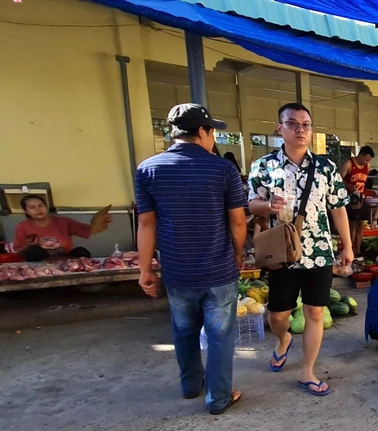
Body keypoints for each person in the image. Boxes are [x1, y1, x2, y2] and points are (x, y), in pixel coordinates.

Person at [134, 103, 247, 415]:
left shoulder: (148, 169)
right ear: (202, 132)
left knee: (183, 329)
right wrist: (238, 254)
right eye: (212, 131)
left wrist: (145, 270)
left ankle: (189, 386)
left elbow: (146, 224)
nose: (213, 137)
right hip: (218, 269)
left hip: (177, 271)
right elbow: (238, 222)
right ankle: (219, 397)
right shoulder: (223, 169)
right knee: (220, 334)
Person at [248, 102, 352, 397]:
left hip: (319, 252)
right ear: (279, 128)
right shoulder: (264, 166)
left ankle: (307, 371)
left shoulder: (326, 168)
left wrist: (347, 245)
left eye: (305, 124)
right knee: (278, 315)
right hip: (282, 254)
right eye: (292, 123)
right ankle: (283, 340)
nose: (299, 129)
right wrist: (268, 205)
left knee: (315, 313)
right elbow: (251, 202)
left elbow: (338, 209)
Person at [13, 195, 111, 261]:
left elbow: (90, 231)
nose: (38, 209)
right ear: (26, 211)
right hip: (42, 262)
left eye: (40, 206)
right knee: (34, 251)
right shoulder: (22, 226)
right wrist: (29, 246)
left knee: (81, 251)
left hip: (65, 259)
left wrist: (102, 221)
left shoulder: (64, 221)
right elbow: (19, 252)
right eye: (32, 207)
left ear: (46, 207)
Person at [339, 145, 375, 258]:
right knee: (351, 225)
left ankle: (358, 250)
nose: (367, 162)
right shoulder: (349, 164)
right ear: (361, 155)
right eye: (366, 159)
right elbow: (338, 179)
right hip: (349, 199)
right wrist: (349, 186)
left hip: (361, 198)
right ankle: (350, 249)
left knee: (360, 225)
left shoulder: (367, 166)